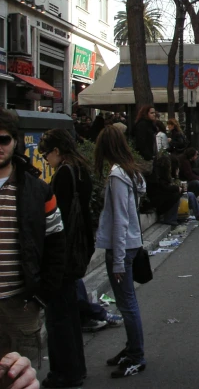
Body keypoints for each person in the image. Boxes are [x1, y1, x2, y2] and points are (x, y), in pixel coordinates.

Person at [0, 109, 65, 371]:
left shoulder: (36, 191)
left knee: (21, 378)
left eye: (3, 140)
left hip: (20, 306)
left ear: (15, 141)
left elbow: (57, 246)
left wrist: (40, 297)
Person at [37, 130, 94, 388]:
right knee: (69, 313)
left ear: (57, 151)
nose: (46, 159)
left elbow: (56, 219)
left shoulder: (63, 174)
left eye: (46, 154)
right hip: (78, 251)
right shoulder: (81, 169)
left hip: (63, 253)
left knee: (58, 315)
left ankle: (65, 372)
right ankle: (76, 368)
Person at [94, 126, 147, 378]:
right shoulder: (131, 172)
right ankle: (132, 349)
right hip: (131, 243)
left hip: (122, 246)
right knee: (129, 303)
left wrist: (116, 260)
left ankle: (136, 354)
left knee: (127, 304)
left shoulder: (117, 175)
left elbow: (119, 219)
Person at [147, 154, 186, 226]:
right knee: (176, 195)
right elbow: (165, 187)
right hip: (156, 201)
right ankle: (170, 219)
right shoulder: (158, 175)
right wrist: (177, 187)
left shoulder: (160, 174)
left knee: (179, 194)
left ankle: (174, 217)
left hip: (158, 198)